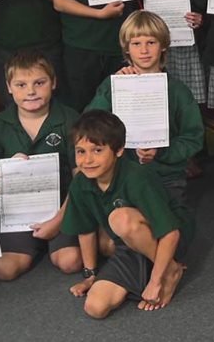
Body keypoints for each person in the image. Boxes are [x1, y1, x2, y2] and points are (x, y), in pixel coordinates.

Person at [61, 110, 192, 319]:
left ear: (119, 150)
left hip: (167, 238)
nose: (87, 160)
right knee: (95, 308)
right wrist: (90, 275)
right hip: (128, 244)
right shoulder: (81, 182)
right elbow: (85, 231)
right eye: (80, 152)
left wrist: (155, 281)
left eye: (97, 150)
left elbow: (171, 233)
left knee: (119, 219)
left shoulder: (137, 177)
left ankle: (170, 270)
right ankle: (148, 270)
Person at [0, 51, 81, 281]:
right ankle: (35, 242)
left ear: (53, 83)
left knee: (70, 262)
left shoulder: (69, 119)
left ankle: (54, 240)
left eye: (39, 83)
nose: (31, 91)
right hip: (18, 208)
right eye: (21, 85)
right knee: (3, 270)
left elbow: (82, 176)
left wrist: (58, 221)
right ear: (8, 87)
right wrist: (10, 169)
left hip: (62, 204)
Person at [85, 11, 204, 203]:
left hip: (166, 176)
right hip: (120, 173)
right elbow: (89, 123)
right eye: (136, 44)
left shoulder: (178, 91)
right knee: (120, 224)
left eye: (151, 42)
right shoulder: (113, 85)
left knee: (163, 224)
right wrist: (114, 88)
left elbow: (193, 138)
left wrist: (162, 152)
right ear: (127, 49)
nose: (144, 51)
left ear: (163, 45)